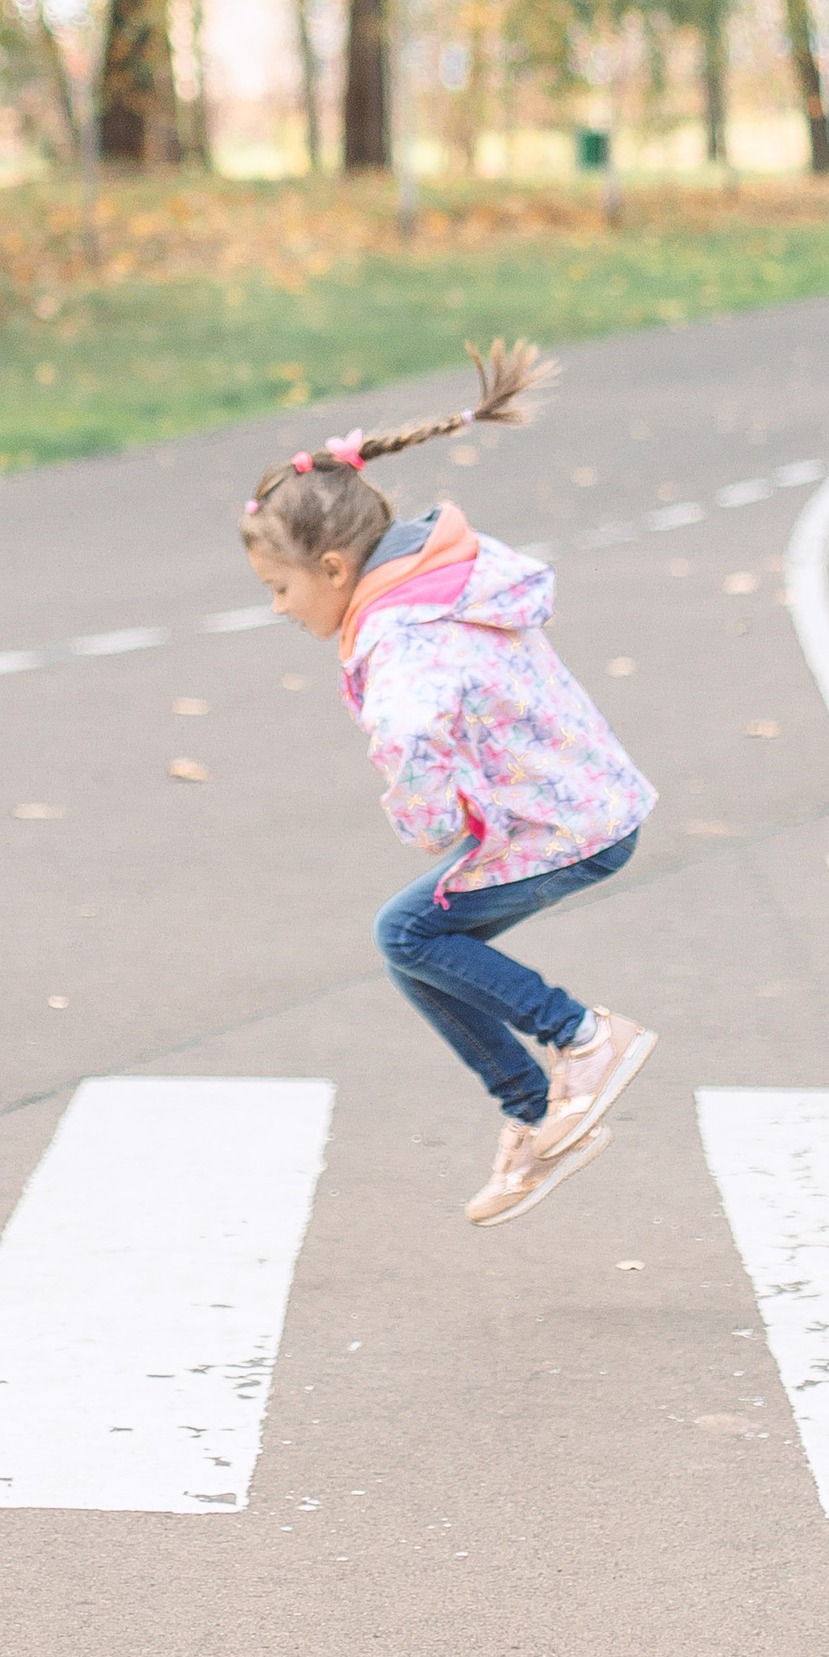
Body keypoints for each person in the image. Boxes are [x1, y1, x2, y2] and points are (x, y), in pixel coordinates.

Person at [241, 340, 658, 1231]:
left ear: (331, 570)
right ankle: (537, 1115)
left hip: (564, 822)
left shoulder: (399, 632)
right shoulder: (427, 590)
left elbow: (411, 725)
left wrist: (425, 817)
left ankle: (584, 1040)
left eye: (278, 588)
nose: (278, 608)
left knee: (411, 930)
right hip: (573, 807)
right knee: (416, 946)